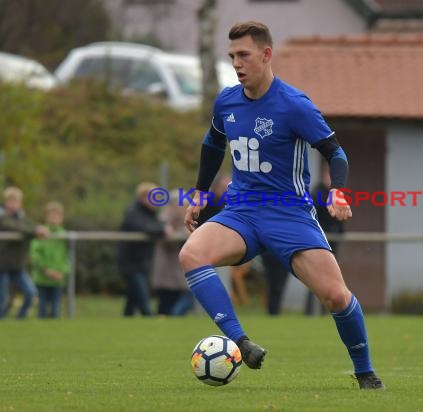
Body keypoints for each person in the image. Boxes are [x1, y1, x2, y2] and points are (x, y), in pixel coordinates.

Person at [178, 21, 384, 389]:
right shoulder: (227, 100)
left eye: (244, 55)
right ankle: (241, 342)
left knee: (336, 296)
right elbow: (213, 144)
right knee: (191, 254)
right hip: (241, 213)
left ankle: (366, 372)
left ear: (266, 54)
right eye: (232, 56)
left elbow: (335, 153)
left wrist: (338, 191)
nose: (237, 63)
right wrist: (199, 192)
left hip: (289, 215)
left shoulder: (294, 105)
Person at [117, 182, 173, 317]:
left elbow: (156, 223)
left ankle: (126, 319)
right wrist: (162, 229)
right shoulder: (133, 212)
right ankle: (150, 318)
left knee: (133, 296)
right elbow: (144, 227)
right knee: (142, 297)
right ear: (143, 197)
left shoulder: (149, 213)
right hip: (131, 263)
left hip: (142, 261)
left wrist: (164, 226)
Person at [0, 186, 49, 319]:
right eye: (11, 200)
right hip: (2, 266)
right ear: (6, 201)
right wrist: (35, 231)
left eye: (16, 201)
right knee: (2, 300)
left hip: (17, 266)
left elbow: (30, 225)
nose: (13, 203)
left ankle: (19, 320)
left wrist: (39, 228)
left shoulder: (22, 217)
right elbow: (14, 226)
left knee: (31, 293)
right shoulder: (2, 217)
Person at [305, 162, 344, 316]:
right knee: (315, 279)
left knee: (330, 280)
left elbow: (340, 218)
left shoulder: (337, 194)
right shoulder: (318, 193)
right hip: (318, 242)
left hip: (333, 242)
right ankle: (310, 311)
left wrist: (340, 232)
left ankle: (324, 311)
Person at [151, 190, 193, 316]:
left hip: (180, 271)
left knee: (187, 299)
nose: (184, 208)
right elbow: (166, 237)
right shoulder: (164, 220)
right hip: (167, 270)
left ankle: (172, 319)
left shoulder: (186, 220)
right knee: (166, 302)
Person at [30, 201, 69, 319]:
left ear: (61, 218)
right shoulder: (40, 234)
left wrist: (63, 272)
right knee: (42, 307)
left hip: (58, 279)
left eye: (57, 215)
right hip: (42, 278)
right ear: (46, 217)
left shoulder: (64, 236)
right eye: (51, 215)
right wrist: (46, 270)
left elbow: (68, 257)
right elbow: (35, 255)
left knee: (55, 308)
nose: (54, 218)